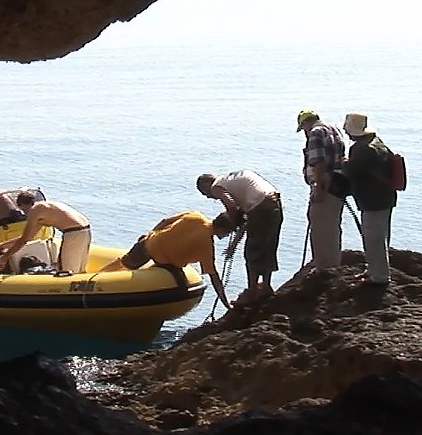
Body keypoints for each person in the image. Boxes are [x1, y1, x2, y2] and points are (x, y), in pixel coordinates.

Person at [96, 210, 236, 310]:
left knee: (124, 263)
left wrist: (150, 233)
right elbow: (213, 275)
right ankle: (95, 283)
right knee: (181, 287)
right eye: (227, 233)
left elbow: (164, 221)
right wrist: (226, 302)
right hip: (166, 264)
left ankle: (99, 276)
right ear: (222, 229)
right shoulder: (206, 245)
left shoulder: (195, 216)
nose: (226, 236)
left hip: (149, 245)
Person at [197, 170, 283, 302]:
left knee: (251, 252)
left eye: (205, 193)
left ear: (207, 184)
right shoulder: (232, 180)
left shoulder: (217, 186)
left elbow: (231, 206)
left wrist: (231, 221)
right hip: (274, 203)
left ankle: (252, 291)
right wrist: (233, 245)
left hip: (260, 207)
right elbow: (246, 223)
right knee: (267, 247)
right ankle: (265, 286)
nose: (209, 196)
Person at [342, 112, 396, 286]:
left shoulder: (361, 148)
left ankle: (379, 277)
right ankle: (374, 270)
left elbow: (352, 172)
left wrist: (343, 163)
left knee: (373, 237)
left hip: (373, 200)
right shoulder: (378, 143)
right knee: (380, 235)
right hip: (385, 197)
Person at [0, 193, 93, 273]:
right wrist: (3, 245)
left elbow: (23, 240)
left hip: (73, 233)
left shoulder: (34, 211)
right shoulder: (45, 208)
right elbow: (27, 237)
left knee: (67, 270)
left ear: (22, 205)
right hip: (85, 229)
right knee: (79, 267)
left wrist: (4, 258)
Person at [296, 109, 347, 269]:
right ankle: (333, 263)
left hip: (325, 184)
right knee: (333, 226)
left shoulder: (315, 133)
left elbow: (319, 161)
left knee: (318, 227)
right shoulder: (334, 129)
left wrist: (318, 187)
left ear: (305, 123)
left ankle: (322, 267)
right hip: (338, 185)